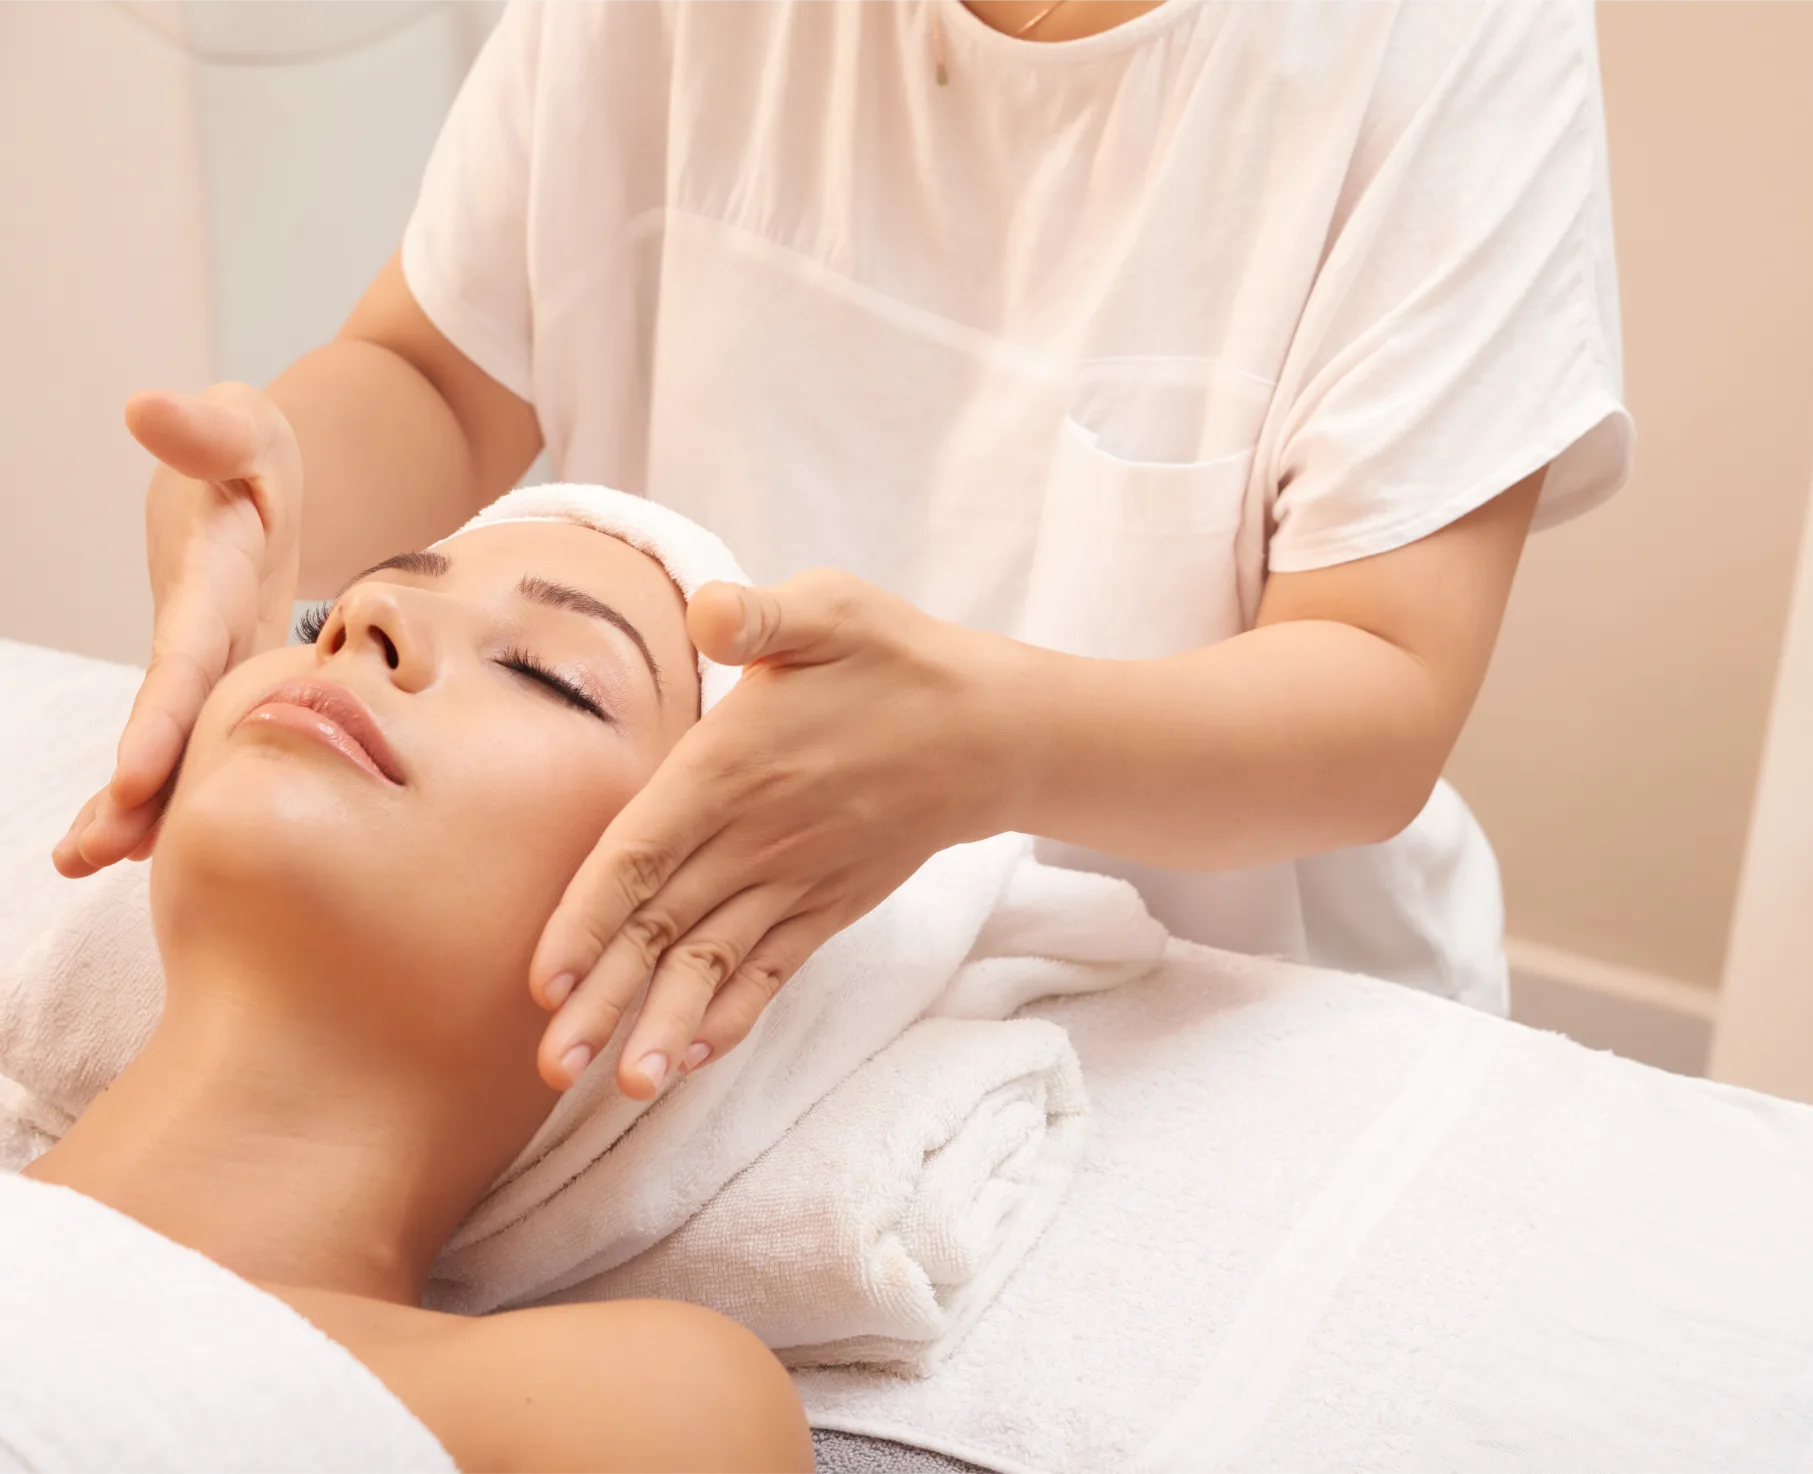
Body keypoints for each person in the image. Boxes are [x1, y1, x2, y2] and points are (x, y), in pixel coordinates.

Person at [55, 0, 1631, 1106]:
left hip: (1216, 1027)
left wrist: (995, 746)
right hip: (707, 999)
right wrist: (275, 506)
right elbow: (434, 371)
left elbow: (1376, 702)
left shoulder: (1444, 41)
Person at [23, 506, 814, 1473]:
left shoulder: (619, 1408)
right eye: (321, 621)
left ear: (682, 959)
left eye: (548, 675)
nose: (370, 619)